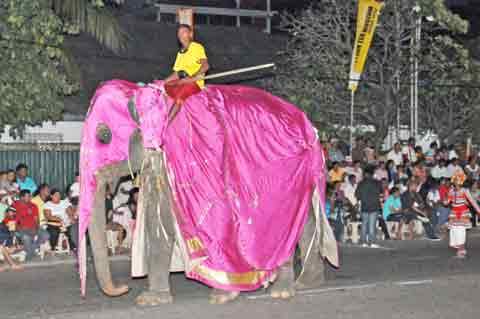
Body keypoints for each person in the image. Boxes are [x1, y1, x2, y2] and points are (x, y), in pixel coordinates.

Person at [165, 24, 209, 123]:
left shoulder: (197, 47)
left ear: (190, 34)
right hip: (183, 79)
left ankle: (166, 123)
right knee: (165, 87)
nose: (181, 35)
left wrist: (192, 77)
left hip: (194, 82)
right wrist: (167, 83)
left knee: (179, 96)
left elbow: (205, 66)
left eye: (183, 32)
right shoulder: (180, 53)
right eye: (179, 33)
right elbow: (177, 73)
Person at [446, 172, 480, 258]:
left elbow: (472, 201)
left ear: (461, 182)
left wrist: (479, 211)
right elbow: (446, 202)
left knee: (460, 231)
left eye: (458, 180)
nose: (456, 182)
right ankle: (461, 249)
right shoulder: (451, 191)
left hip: (463, 214)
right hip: (454, 214)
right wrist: (445, 199)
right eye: (455, 180)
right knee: (454, 231)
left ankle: (461, 250)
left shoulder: (465, 191)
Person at [12, 190, 49, 260]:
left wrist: (37, 227)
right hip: (21, 229)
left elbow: (36, 219)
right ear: (22, 197)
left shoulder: (33, 206)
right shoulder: (15, 205)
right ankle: (30, 253)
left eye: (30, 196)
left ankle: (31, 250)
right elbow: (10, 216)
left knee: (46, 235)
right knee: (26, 238)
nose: (30, 198)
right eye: (28, 196)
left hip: (33, 227)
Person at [355, 166, 383, 248]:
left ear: (365, 174)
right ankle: (372, 242)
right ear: (372, 174)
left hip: (364, 206)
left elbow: (357, 195)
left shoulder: (361, 183)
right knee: (372, 225)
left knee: (364, 224)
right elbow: (380, 193)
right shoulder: (377, 183)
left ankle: (363, 242)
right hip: (374, 206)